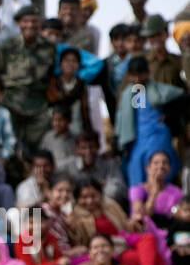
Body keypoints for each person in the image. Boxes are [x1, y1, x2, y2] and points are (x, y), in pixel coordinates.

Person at [0, 5, 58, 155]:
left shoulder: (49, 47)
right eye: (26, 21)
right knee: (10, 147)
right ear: (19, 24)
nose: (30, 25)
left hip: (38, 106)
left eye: (34, 21)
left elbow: (51, 75)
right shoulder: (6, 47)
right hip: (11, 104)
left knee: (39, 148)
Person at [115, 57, 183, 189]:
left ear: (147, 73)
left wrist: (170, 114)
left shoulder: (157, 90)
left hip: (158, 137)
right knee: (137, 171)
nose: (137, 78)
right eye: (133, 75)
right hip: (137, 139)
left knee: (160, 168)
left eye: (140, 74)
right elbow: (126, 117)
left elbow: (181, 96)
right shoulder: (130, 94)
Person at [59, 129, 126, 204]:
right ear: (77, 149)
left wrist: (99, 193)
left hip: (104, 205)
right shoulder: (68, 166)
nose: (88, 152)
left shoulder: (108, 163)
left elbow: (118, 190)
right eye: (83, 148)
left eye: (92, 147)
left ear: (98, 146)